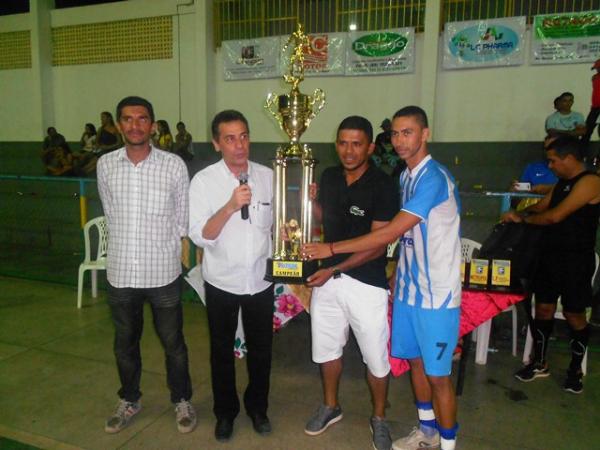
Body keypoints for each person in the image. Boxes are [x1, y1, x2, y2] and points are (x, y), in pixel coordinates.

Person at [303, 106, 461, 450]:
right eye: (397, 133)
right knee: (417, 365)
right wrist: (308, 201)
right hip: (406, 288)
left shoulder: (430, 179)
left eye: (408, 133)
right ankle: (428, 431)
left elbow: (385, 237)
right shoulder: (405, 176)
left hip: (436, 294)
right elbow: (402, 238)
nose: (401, 140)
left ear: (425, 134)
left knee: (436, 375)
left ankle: (440, 442)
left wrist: (330, 253)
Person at [96, 96, 196, 434]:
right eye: (128, 119)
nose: (135, 125)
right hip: (122, 272)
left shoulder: (173, 165)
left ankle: (181, 399)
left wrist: (168, 247)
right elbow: (111, 213)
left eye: (142, 119)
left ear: (153, 125)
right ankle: (129, 399)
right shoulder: (106, 165)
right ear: (119, 124)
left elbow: (182, 218)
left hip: (163, 273)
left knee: (174, 344)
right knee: (125, 343)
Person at [302, 116, 398, 450]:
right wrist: (311, 202)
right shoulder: (329, 177)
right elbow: (324, 220)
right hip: (328, 281)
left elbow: (376, 245)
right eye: (343, 142)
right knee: (327, 349)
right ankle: (331, 406)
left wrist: (335, 266)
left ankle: (380, 418)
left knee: (375, 357)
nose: (349, 150)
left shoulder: (384, 185)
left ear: (371, 147)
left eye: (357, 143)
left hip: (366, 283)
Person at [188, 110, 274, 442]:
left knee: (262, 350)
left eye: (244, 136)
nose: (239, 145)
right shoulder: (204, 182)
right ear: (216, 143)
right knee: (221, 351)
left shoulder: (267, 176)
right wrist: (228, 206)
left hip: (260, 280)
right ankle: (225, 412)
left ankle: (258, 407)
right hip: (222, 281)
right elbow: (200, 236)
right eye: (230, 138)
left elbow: (281, 224)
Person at [503, 136, 600, 394]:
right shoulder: (561, 183)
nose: (551, 165)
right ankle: (539, 362)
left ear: (569, 158)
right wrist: (520, 213)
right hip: (549, 257)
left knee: (573, 314)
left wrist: (524, 221)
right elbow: (541, 207)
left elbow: (555, 216)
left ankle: (575, 369)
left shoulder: (590, 182)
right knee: (543, 310)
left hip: (575, 261)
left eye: (553, 160)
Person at [582, 58, 600, 145]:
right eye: (597, 68)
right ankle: (583, 149)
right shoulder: (594, 78)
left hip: (596, 107)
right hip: (595, 107)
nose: (597, 70)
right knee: (588, 128)